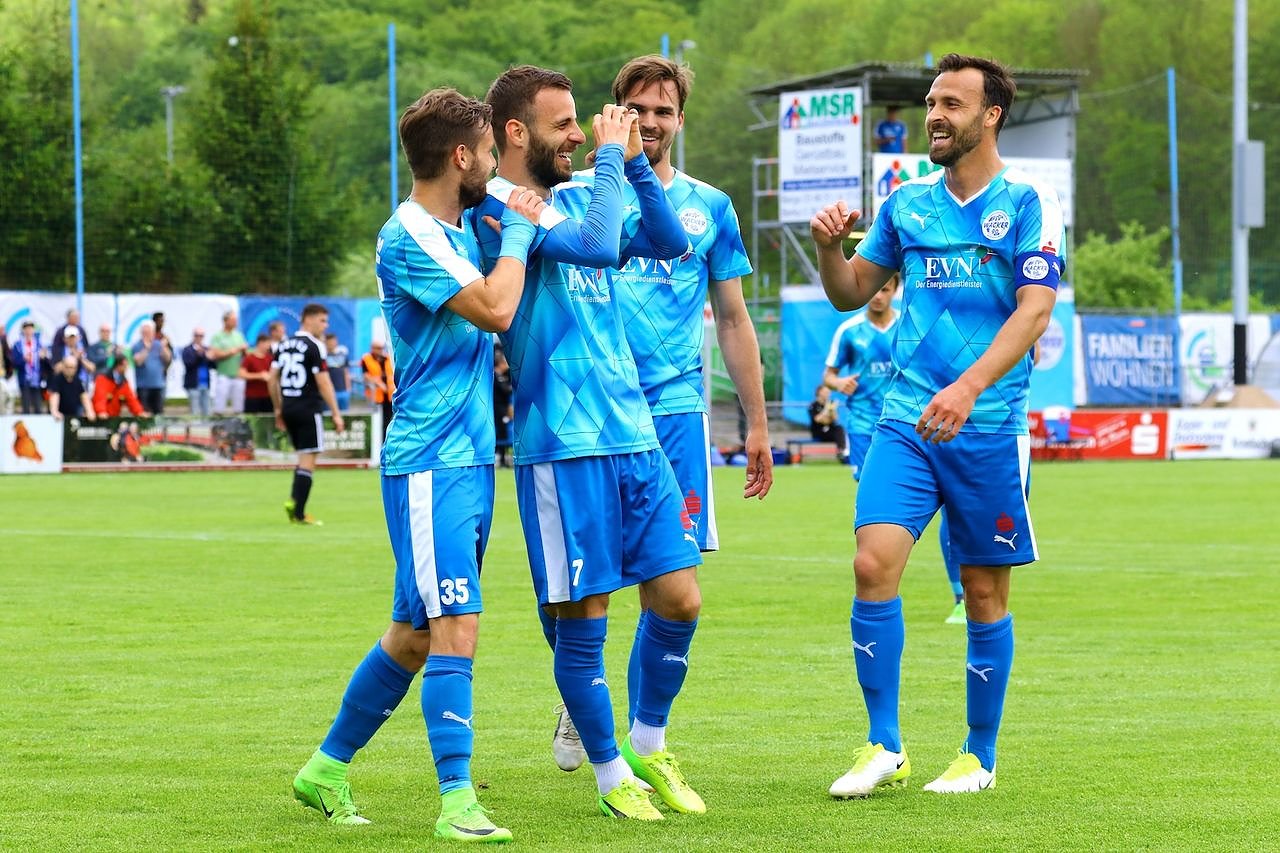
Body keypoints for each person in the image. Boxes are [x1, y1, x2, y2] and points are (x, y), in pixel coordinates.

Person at [291, 87, 544, 842]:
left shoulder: (457, 226)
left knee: (413, 633)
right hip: (432, 461)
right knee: (456, 621)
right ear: (461, 156)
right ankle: (457, 801)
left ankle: (325, 769)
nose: (495, 167)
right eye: (489, 154)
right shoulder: (410, 234)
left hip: (465, 460)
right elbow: (496, 310)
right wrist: (520, 231)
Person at [811, 53, 1063, 797]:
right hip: (907, 419)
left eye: (952, 103)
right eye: (931, 102)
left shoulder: (1028, 201)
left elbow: (1035, 311)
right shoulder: (905, 203)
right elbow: (849, 292)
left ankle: (978, 755)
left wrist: (968, 387)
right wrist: (829, 247)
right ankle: (883, 744)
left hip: (988, 425)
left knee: (982, 591)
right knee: (872, 564)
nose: (935, 115)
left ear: (991, 115)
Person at [472, 65, 699, 822]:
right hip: (563, 446)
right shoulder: (495, 207)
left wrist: (631, 165)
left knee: (680, 597)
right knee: (583, 619)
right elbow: (600, 249)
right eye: (563, 123)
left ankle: (648, 742)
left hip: (634, 434)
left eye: (580, 121)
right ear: (516, 132)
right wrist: (609, 159)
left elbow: (669, 242)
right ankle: (609, 774)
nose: (578, 133)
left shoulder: (576, 194)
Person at [549, 54, 774, 777]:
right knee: (583, 583)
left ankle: (648, 737)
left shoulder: (711, 207)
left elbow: (733, 320)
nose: (650, 122)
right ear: (613, 112)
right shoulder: (578, 196)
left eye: (663, 111)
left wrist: (756, 423)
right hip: (589, 415)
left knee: (671, 586)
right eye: (637, 109)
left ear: (680, 119)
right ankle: (580, 692)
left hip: (674, 414)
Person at [824, 275, 965, 620]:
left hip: (910, 425)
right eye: (874, 289)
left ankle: (959, 595)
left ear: (896, 290)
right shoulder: (849, 332)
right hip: (864, 427)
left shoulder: (911, 325)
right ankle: (879, 569)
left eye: (885, 289)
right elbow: (828, 375)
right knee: (878, 509)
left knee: (952, 508)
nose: (878, 296)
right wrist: (839, 383)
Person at [268, 304, 343, 525]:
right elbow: (324, 382)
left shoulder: (283, 344)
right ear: (308, 319)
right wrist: (336, 413)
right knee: (309, 459)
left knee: (303, 458)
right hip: (308, 408)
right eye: (322, 320)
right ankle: (299, 513)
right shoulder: (315, 346)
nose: (325, 326)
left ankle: (293, 502)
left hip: (288, 407)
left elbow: (272, 379)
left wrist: (278, 408)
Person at [208, 310, 249, 415]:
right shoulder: (217, 336)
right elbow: (216, 354)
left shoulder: (238, 335)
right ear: (225, 321)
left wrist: (244, 351)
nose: (235, 322)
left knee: (239, 406)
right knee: (219, 406)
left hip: (238, 375)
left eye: (236, 320)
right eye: (233, 320)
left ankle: (238, 423)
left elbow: (246, 354)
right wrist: (235, 350)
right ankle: (218, 423)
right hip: (224, 375)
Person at [132, 320, 172, 415]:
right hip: (143, 386)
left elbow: (168, 359)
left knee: (159, 414)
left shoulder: (158, 344)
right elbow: (138, 361)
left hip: (158, 385)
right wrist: (147, 348)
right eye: (145, 332)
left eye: (149, 332)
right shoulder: (137, 345)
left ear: (153, 332)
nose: (147, 334)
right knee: (144, 413)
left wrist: (164, 347)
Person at [11, 320, 48, 414]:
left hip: (37, 379)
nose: (28, 330)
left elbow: (46, 362)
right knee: (26, 406)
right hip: (24, 379)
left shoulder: (38, 344)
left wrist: (43, 357)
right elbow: (14, 363)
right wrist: (23, 359)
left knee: (38, 406)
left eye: (30, 328)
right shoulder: (18, 345)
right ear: (23, 330)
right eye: (26, 328)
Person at [360, 340, 394, 440]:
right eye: (377, 348)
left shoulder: (387, 358)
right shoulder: (366, 359)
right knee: (378, 421)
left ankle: (385, 440)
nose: (380, 350)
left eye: (381, 348)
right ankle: (378, 441)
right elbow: (366, 375)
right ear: (372, 348)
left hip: (389, 395)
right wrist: (379, 383)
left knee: (388, 421)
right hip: (376, 396)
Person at [47, 355, 95, 422]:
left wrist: (89, 411)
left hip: (74, 414)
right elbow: (55, 396)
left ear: (76, 368)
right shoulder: (57, 379)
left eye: (72, 368)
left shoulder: (77, 380)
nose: (69, 370)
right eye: (67, 367)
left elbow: (84, 396)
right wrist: (55, 411)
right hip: (59, 416)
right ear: (63, 366)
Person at [182, 328, 215, 417]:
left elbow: (213, 366)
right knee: (195, 410)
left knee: (207, 410)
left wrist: (211, 358)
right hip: (193, 384)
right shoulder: (188, 350)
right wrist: (200, 355)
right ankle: (195, 426)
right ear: (193, 336)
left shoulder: (206, 349)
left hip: (205, 384)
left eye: (201, 336)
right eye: (197, 335)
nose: (199, 338)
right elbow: (189, 364)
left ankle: (206, 425)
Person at [239, 334, 275, 414]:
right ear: (260, 343)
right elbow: (241, 374)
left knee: (267, 418)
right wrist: (259, 376)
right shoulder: (249, 358)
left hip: (268, 396)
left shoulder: (270, 358)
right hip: (252, 397)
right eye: (267, 344)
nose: (269, 347)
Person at [808, 384, 846, 451]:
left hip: (830, 430)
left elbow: (835, 419)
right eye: (826, 392)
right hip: (819, 432)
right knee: (836, 431)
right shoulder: (813, 405)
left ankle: (841, 451)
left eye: (829, 392)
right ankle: (841, 450)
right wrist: (826, 410)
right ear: (820, 392)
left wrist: (833, 410)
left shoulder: (830, 403)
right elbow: (817, 419)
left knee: (840, 428)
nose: (828, 394)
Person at [492, 342, 513, 467]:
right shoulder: (495, 374)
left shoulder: (506, 375)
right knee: (500, 431)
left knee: (505, 431)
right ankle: (499, 456)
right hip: (497, 408)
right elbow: (505, 390)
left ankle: (505, 457)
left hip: (504, 407)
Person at [323, 333, 351, 412]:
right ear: (326, 342)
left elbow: (346, 373)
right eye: (330, 341)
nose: (332, 343)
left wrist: (348, 388)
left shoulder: (342, 356)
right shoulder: (323, 357)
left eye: (334, 341)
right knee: (328, 414)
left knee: (344, 414)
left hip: (342, 391)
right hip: (329, 391)